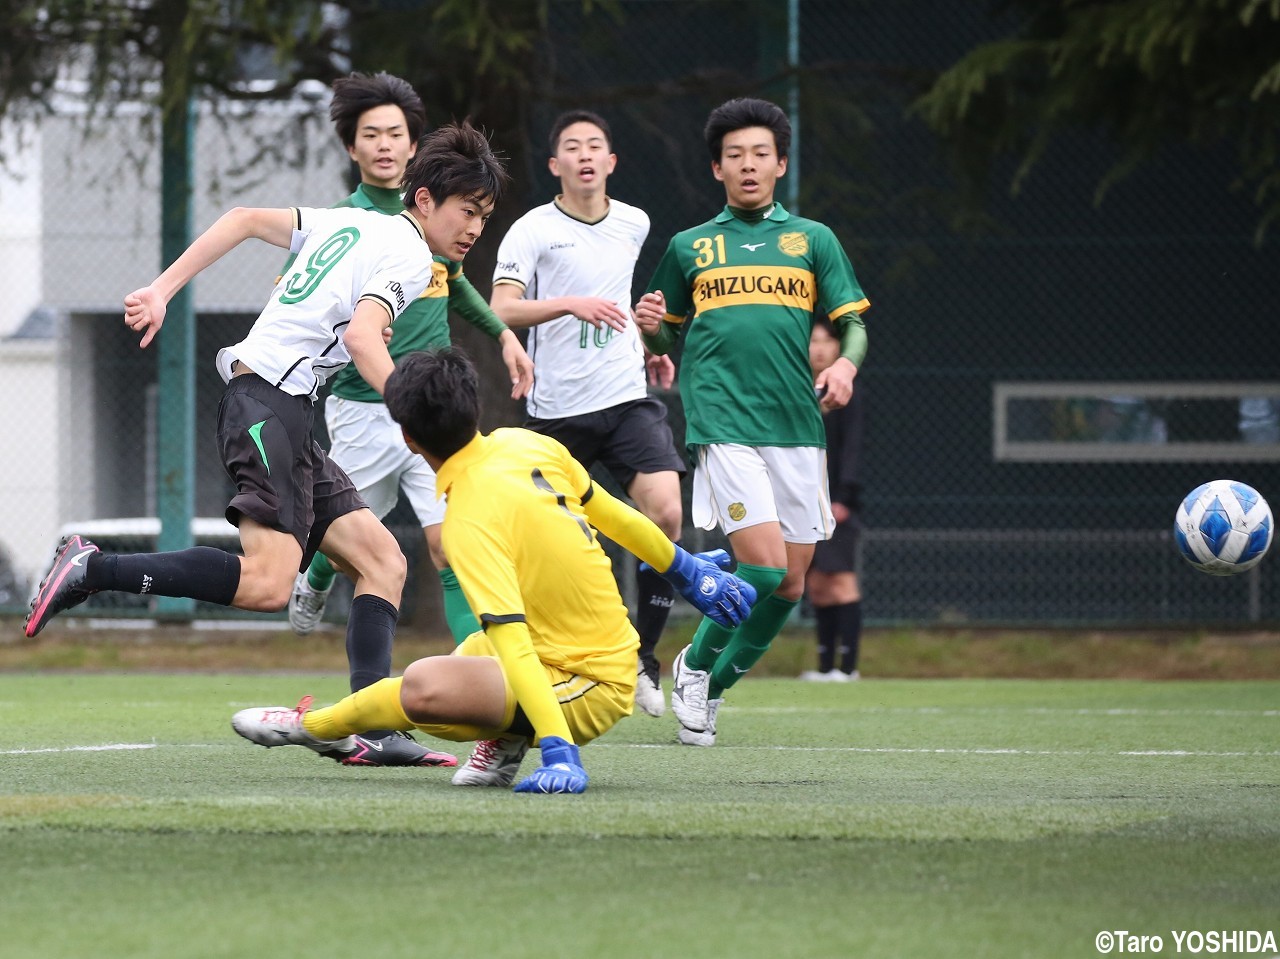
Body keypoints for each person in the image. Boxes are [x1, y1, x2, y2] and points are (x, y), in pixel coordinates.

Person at [25, 123, 525, 769]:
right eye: (468, 211)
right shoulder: (407, 254)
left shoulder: (352, 222)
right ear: (424, 199)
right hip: (268, 404)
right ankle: (94, 568)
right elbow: (364, 340)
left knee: (382, 561)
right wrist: (423, 419)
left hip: (281, 407)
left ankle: (372, 725)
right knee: (266, 583)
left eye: (484, 216)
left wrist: (161, 289)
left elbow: (241, 220)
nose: (474, 228)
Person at [230, 348, 756, 794]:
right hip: (581, 650)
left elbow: (515, 643)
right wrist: (688, 571)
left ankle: (316, 728)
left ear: (408, 439)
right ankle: (499, 739)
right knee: (462, 658)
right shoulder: (528, 443)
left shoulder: (468, 522)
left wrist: (559, 749)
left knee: (423, 688)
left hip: (591, 682)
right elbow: (616, 513)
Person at [634, 97, 871, 746]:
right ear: (716, 167)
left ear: (781, 164)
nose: (747, 165)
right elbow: (661, 340)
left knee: (791, 586)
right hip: (723, 421)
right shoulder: (690, 247)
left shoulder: (812, 240)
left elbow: (852, 325)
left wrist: (846, 367)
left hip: (797, 423)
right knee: (763, 569)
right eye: (734, 155)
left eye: (760, 154)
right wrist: (652, 334)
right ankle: (694, 663)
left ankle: (711, 683)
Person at [286, 74, 532, 680]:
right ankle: (316, 572)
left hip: (434, 408)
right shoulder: (344, 221)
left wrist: (503, 334)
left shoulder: (443, 214)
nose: (385, 144)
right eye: (371, 134)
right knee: (353, 538)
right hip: (364, 408)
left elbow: (457, 281)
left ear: (414, 144)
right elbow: (307, 302)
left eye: (396, 133)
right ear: (352, 147)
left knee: (451, 544)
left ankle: (479, 671)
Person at [489, 109, 685, 719]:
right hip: (557, 415)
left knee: (667, 513)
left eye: (595, 146)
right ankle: (545, 659)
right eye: (571, 147)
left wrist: (651, 344)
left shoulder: (634, 222)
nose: (584, 155)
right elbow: (503, 308)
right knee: (546, 547)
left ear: (611, 162)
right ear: (555, 166)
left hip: (627, 399)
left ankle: (643, 658)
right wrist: (569, 305)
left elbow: (625, 304)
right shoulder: (531, 229)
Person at [799, 317, 865, 682]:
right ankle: (826, 668)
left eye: (828, 340)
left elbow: (853, 447)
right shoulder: (798, 388)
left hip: (836, 504)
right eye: (814, 341)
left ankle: (849, 667)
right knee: (818, 584)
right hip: (804, 502)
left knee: (840, 581)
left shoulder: (845, 390)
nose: (820, 348)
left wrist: (844, 497)